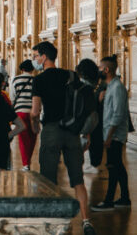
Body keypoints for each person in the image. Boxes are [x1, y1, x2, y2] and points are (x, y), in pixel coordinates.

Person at [30, 42, 96, 235]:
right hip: (72, 130)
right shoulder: (71, 75)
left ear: (44, 57)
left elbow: (35, 111)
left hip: (51, 130)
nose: (34, 60)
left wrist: (35, 125)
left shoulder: (39, 80)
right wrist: (87, 133)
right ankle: (86, 221)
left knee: (49, 181)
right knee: (78, 179)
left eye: (35, 56)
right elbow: (83, 105)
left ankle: (54, 221)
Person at [92, 56, 130, 210]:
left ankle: (109, 201)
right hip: (110, 133)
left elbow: (118, 114)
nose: (98, 70)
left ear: (106, 70)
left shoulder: (117, 88)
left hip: (114, 135)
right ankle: (125, 198)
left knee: (113, 166)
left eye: (100, 68)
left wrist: (109, 136)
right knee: (117, 166)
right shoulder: (110, 87)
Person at [76, 58, 103, 174]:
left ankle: (86, 164)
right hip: (95, 118)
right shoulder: (96, 85)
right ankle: (93, 163)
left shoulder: (82, 86)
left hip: (87, 119)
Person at [12, 60, 36, 170]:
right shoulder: (36, 80)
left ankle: (26, 164)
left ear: (22, 69)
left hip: (20, 111)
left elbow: (13, 96)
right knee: (32, 137)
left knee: (23, 139)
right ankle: (28, 160)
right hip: (33, 111)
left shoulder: (16, 79)